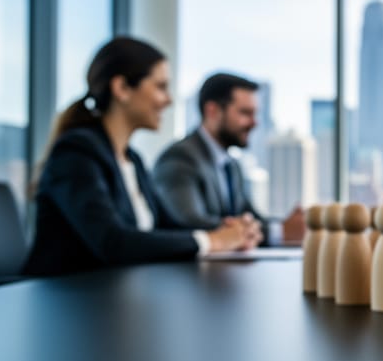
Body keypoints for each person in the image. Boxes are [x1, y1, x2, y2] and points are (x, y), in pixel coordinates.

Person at [23, 37, 260, 276]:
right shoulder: (76, 151)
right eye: (160, 87)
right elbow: (112, 242)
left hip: (118, 290)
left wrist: (231, 232)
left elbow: (170, 227)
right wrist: (212, 241)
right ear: (122, 88)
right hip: (67, 294)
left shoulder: (132, 160)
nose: (169, 100)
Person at [153, 73, 304, 245]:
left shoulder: (232, 166)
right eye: (245, 113)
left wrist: (285, 225)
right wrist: (279, 232)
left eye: (255, 114)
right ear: (213, 111)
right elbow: (190, 223)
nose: (254, 123)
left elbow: (250, 217)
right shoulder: (180, 158)